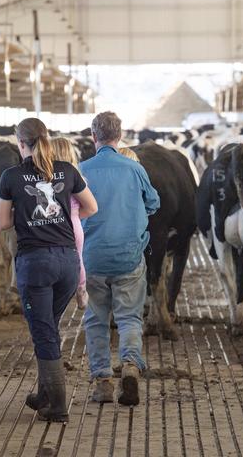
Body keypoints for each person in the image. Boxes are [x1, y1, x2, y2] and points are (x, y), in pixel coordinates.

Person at [0, 118, 97, 422]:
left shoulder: (10, 176)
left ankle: (56, 405)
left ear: (20, 142)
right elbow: (91, 207)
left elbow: (1, 223)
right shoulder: (66, 170)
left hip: (35, 264)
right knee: (48, 328)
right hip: (68, 262)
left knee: (43, 333)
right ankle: (44, 393)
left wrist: (27, 216)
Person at [80, 112, 160, 406]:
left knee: (96, 319)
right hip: (129, 256)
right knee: (129, 317)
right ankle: (129, 366)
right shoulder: (133, 168)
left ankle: (102, 382)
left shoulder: (82, 170)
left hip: (93, 258)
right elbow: (153, 202)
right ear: (120, 135)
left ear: (93, 136)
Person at [51, 137, 88, 310]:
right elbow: (90, 206)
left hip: (53, 223)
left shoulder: (46, 179)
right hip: (74, 223)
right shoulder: (77, 176)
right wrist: (74, 215)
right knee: (78, 257)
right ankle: (81, 290)